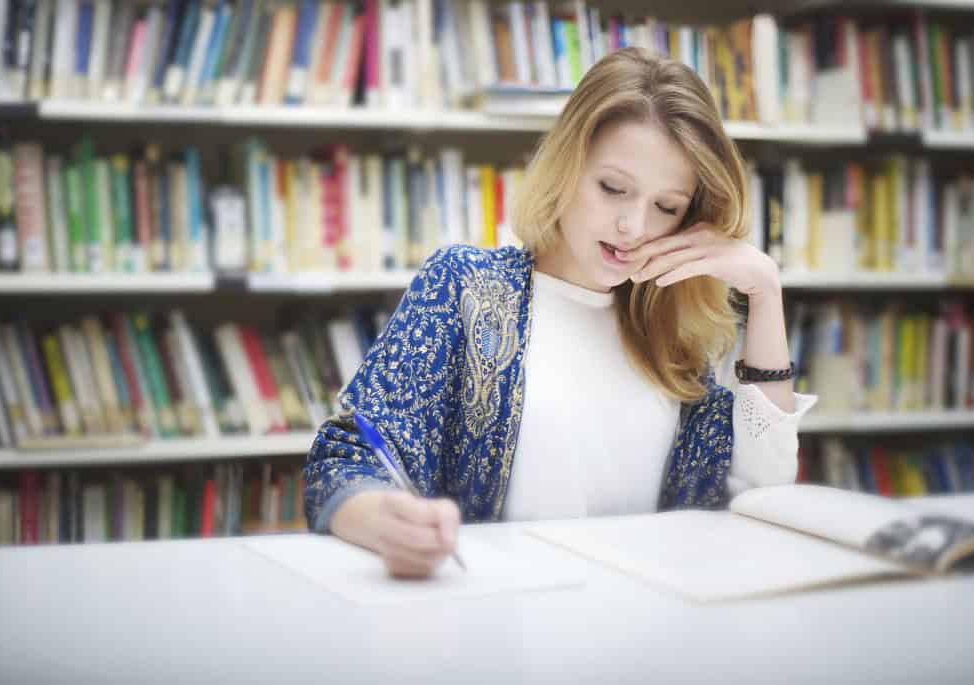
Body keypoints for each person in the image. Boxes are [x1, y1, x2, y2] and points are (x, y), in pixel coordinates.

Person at [303, 47, 817, 578]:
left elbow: (759, 493)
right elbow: (344, 460)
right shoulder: (467, 287)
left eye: (666, 207)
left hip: (638, 630)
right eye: (613, 188)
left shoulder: (671, 335)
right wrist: (383, 521)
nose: (633, 226)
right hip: (496, 622)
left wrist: (765, 295)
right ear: (567, 167)